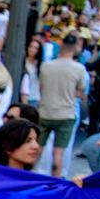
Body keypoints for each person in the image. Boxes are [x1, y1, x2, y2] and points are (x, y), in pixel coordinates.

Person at [37, 35, 88, 178]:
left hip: (46, 111)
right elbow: (80, 92)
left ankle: (30, 176)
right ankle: (55, 181)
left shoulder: (47, 66)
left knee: (38, 149)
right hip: (66, 114)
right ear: (75, 48)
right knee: (58, 153)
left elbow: (41, 88)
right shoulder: (79, 69)